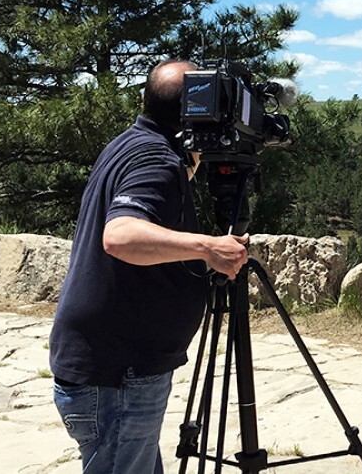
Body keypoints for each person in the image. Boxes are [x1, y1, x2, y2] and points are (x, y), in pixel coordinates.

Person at [48, 59, 251, 473]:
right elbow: (121, 235)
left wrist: (190, 158)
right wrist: (208, 246)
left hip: (108, 365)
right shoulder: (157, 161)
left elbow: (155, 194)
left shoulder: (132, 143)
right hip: (119, 373)